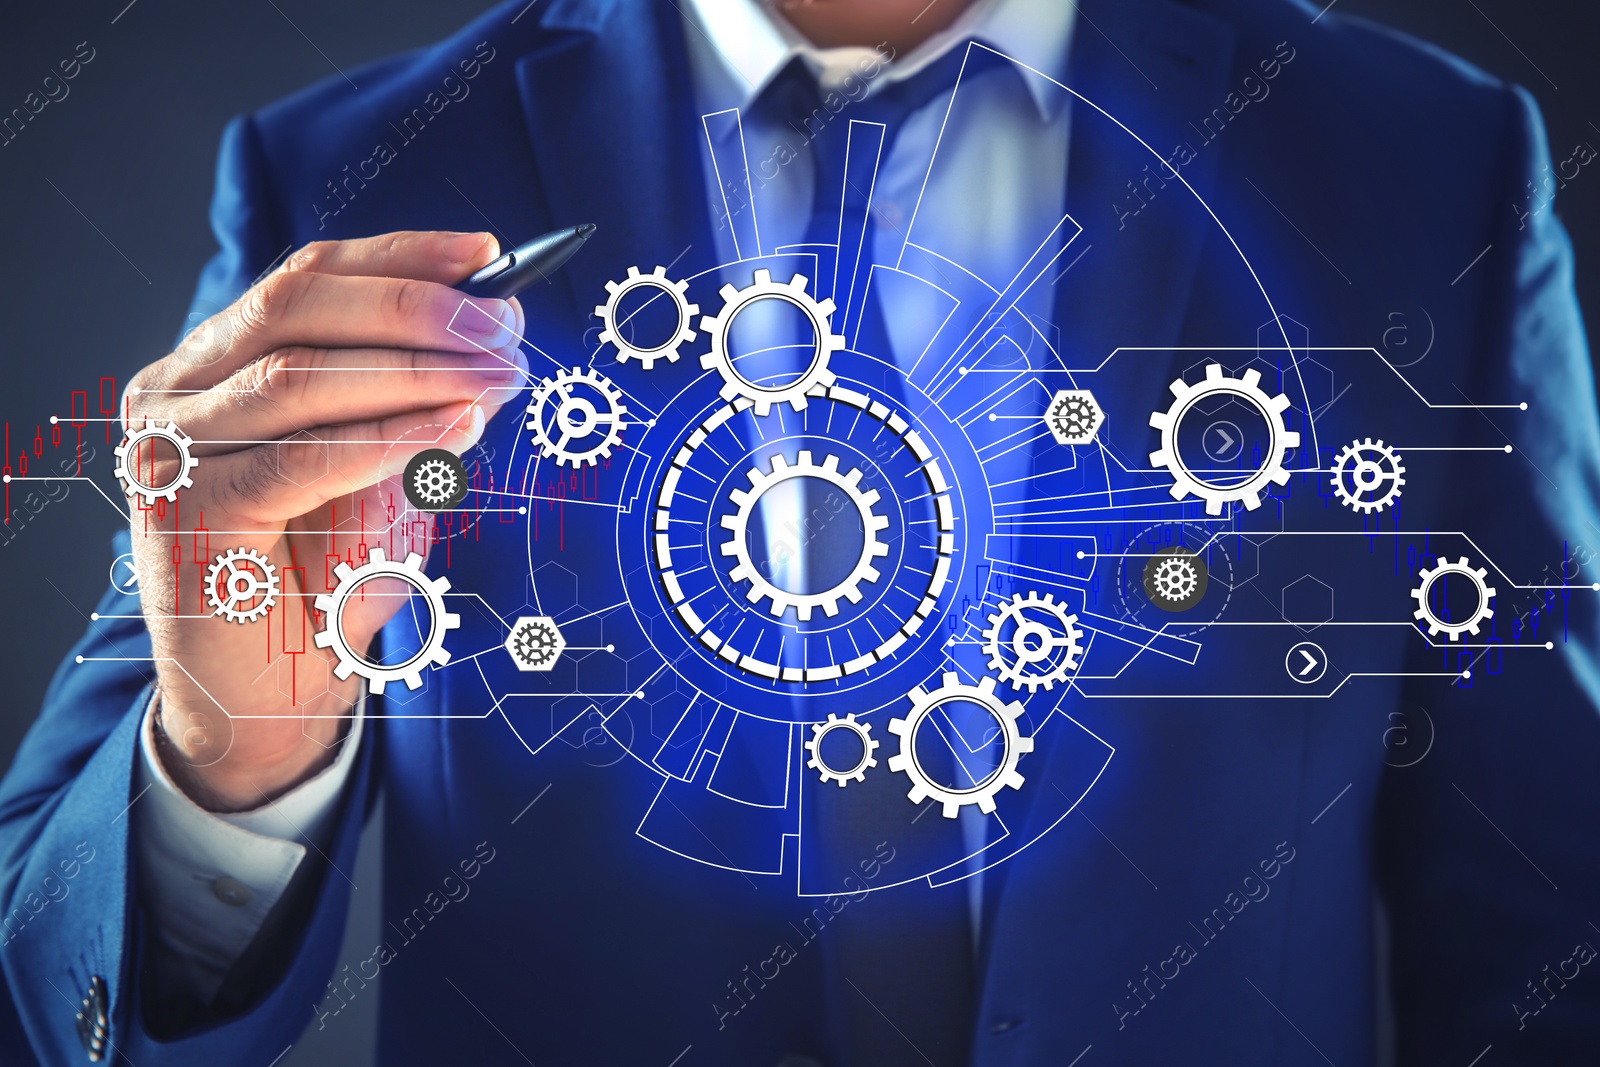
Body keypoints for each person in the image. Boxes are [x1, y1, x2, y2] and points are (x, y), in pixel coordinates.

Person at [2, 0, 1598, 1063]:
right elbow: (40, 972)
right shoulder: (356, 180)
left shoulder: (1418, 163)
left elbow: (1553, 914)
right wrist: (232, 764)